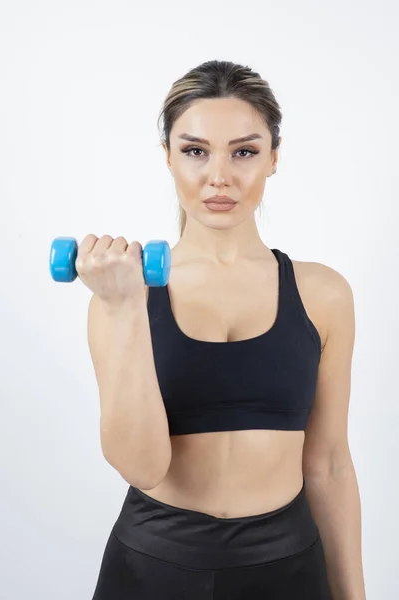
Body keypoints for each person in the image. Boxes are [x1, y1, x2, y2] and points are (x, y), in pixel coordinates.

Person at [79, 60, 366, 599]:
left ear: (274, 158)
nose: (219, 177)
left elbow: (328, 463)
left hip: (287, 565)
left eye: (244, 151)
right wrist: (122, 308)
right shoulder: (122, 297)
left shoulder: (324, 294)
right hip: (152, 568)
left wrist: (354, 596)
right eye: (194, 150)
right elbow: (142, 467)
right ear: (167, 156)